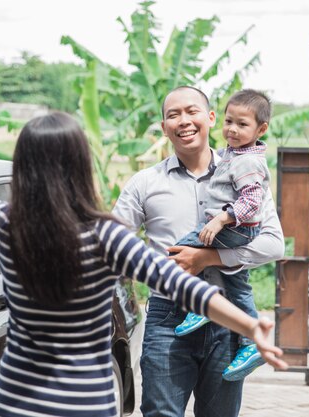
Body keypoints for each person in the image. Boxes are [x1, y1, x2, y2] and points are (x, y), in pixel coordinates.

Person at [0, 112, 287, 417]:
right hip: (85, 404)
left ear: (23, 166)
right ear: (80, 166)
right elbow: (184, 285)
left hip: (14, 402)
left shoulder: (5, 224)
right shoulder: (107, 237)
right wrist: (250, 324)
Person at [112, 86, 285, 417]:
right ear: (164, 127)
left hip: (228, 318)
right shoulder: (144, 183)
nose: (184, 121)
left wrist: (208, 258)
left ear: (210, 118)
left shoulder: (244, 171)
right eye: (173, 115)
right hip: (168, 318)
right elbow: (113, 246)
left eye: (192, 112)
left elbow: (273, 243)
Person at [171, 89, 273, 382]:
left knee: (183, 250)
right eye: (229, 121)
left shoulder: (247, 161)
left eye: (242, 124)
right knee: (238, 286)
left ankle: (202, 304)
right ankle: (250, 344)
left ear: (261, 129)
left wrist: (221, 218)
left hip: (234, 228)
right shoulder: (235, 154)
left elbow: (253, 199)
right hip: (234, 228)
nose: (232, 129)